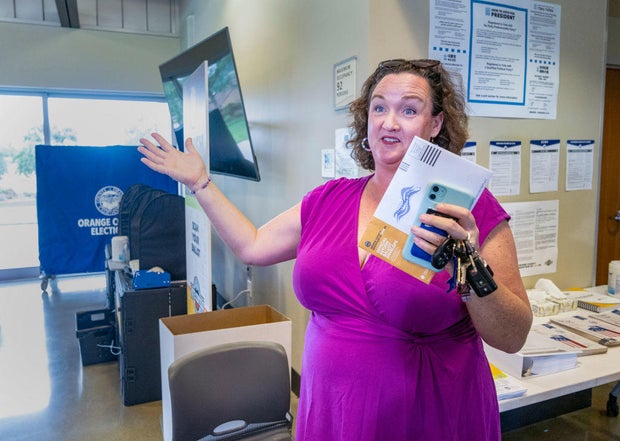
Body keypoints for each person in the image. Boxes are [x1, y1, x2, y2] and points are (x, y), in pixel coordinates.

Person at [138, 58, 532, 441]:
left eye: (409, 110)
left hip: (427, 413)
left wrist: (467, 266)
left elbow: (512, 336)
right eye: (379, 107)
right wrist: (201, 183)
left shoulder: (466, 213)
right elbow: (252, 245)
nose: (389, 122)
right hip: (330, 409)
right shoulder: (328, 200)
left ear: (435, 124)